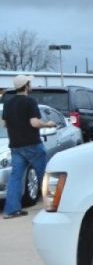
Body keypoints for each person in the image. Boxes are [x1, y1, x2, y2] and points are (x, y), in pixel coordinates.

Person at [1, 75, 57, 219]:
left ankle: (11, 210)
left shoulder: (8, 104)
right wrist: (48, 124)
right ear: (26, 86)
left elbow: (4, 124)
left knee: (15, 178)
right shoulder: (30, 102)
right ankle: (54, 206)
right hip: (32, 144)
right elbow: (34, 123)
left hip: (16, 146)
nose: (31, 85)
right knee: (45, 175)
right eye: (30, 83)